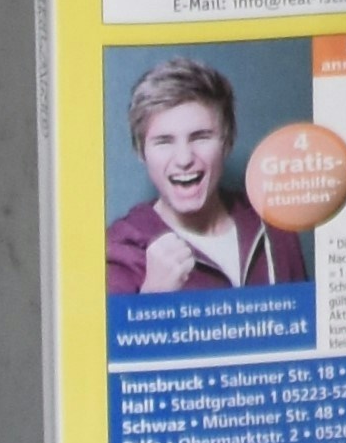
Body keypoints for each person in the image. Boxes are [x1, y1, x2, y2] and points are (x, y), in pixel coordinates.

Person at [105, 56, 309, 296]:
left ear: (228, 141)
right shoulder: (120, 250)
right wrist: (153, 296)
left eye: (200, 137)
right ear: (141, 152)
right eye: (164, 142)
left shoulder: (275, 227)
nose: (184, 159)